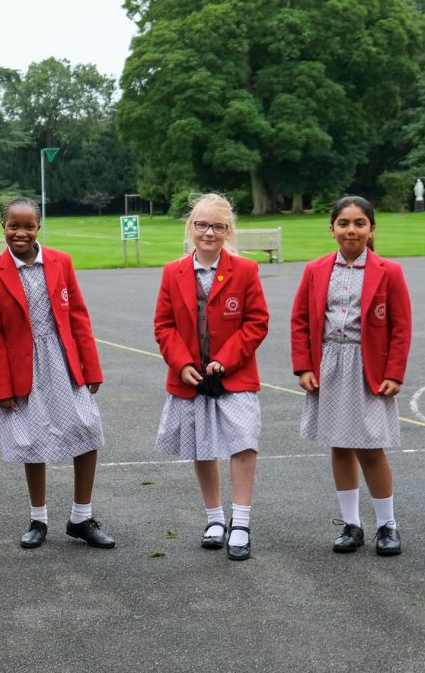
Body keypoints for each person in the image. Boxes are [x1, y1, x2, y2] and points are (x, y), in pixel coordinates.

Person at [0, 198, 112, 550]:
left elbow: (79, 318)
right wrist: (0, 387)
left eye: (28, 226)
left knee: (87, 429)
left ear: (39, 227)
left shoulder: (60, 262)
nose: (20, 233)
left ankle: (81, 516)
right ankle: (38, 518)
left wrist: (91, 367)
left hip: (65, 363)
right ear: (2, 226)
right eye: (13, 226)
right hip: (23, 369)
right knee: (32, 439)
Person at [290, 196, 411, 556]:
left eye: (359, 223)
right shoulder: (315, 269)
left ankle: (387, 525)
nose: (351, 230)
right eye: (344, 223)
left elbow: (401, 328)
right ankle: (351, 524)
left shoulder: (389, 271)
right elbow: (299, 322)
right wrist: (305, 367)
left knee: (371, 447)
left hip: (368, 366)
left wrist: (394, 373)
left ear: (372, 228)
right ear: (332, 229)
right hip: (329, 365)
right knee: (339, 445)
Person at [153, 193, 269, 561]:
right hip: (191, 379)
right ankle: (215, 518)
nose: (209, 232)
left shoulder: (246, 270)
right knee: (202, 447)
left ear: (228, 231)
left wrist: (225, 360)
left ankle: (241, 522)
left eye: (218, 226)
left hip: (233, 376)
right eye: (202, 225)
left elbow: (256, 322)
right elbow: (164, 325)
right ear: (190, 228)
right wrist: (182, 363)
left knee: (243, 442)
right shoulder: (173, 272)